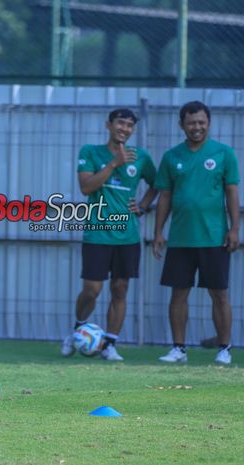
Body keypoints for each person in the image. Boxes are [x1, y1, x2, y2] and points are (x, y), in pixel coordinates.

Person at [61, 108, 158, 361]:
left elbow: (158, 183)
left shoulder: (141, 157)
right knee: (92, 290)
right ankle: (77, 330)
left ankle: (110, 344)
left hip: (128, 236)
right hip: (97, 234)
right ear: (109, 125)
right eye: (120, 123)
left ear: (133, 130)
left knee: (120, 288)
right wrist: (115, 162)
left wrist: (144, 205)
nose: (124, 129)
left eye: (129, 125)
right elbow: (86, 187)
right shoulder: (90, 152)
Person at [153, 101, 240, 365]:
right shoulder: (171, 157)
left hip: (214, 237)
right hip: (180, 238)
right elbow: (165, 196)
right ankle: (178, 349)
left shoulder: (224, 154)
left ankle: (224, 348)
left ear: (208, 123)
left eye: (201, 122)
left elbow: (232, 193)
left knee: (219, 293)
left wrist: (235, 228)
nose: (197, 127)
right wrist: (158, 231)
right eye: (191, 122)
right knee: (178, 294)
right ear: (182, 125)